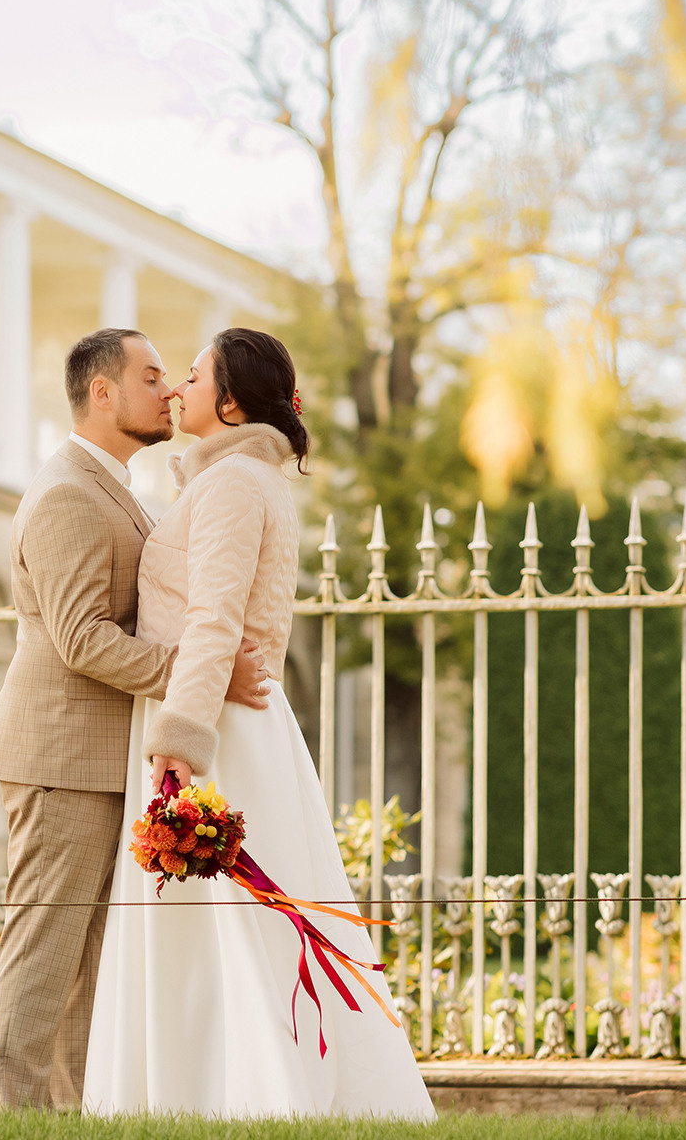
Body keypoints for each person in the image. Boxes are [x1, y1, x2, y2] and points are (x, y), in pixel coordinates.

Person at [83, 328, 434, 1119]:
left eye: (196, 375)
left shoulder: (235, 484)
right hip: (222, 715)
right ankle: (201, 1093)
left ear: (232, 399)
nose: (178, 387)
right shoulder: (232, 480)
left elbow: (213, 621)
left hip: (218, 729)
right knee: (215, 927)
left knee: (232, 925)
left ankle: (257, 1093)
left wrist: (178, 747)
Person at [0, 328, 273, 1112]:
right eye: (150, 377)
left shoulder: (118, 491)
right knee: (45, 951)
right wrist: (195, 672)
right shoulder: (67, 491)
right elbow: (80, 637)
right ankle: (18, 1119)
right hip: (60, 755)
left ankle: (65, 1118)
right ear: (101, 392)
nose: (169, 390)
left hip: (106, 758)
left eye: (174, 377)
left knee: (91, 965)